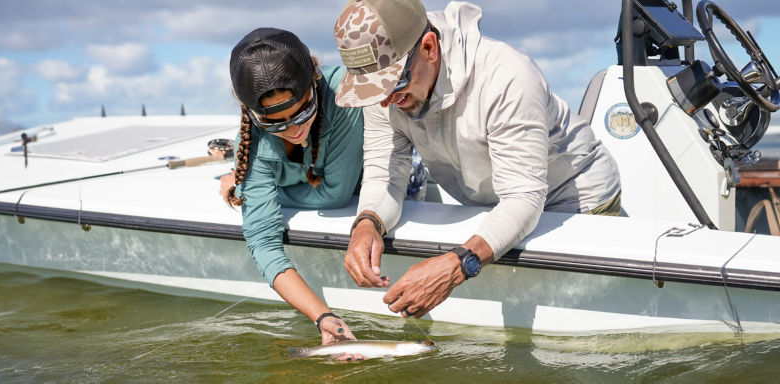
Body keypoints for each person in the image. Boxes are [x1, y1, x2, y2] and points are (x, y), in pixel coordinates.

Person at [333, 0, 622, 318]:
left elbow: (524, 197)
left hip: (573, 199)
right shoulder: (384, 91)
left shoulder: (507, 77)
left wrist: (457, 266)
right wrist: (366, 224)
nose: (386, 100)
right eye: (373, 91)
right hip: (492, 204)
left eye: (394, 84)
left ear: (429, 47)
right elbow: (383, 173)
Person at [221, 28, 364, 357]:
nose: (293, 129)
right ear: (252, 114)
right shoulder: (253, 134)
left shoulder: (343, 95)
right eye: (274, 123)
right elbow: (262, 241)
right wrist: (323, 317)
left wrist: (250, 189)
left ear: (314, 81)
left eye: (302, 112)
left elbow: (334, 194)